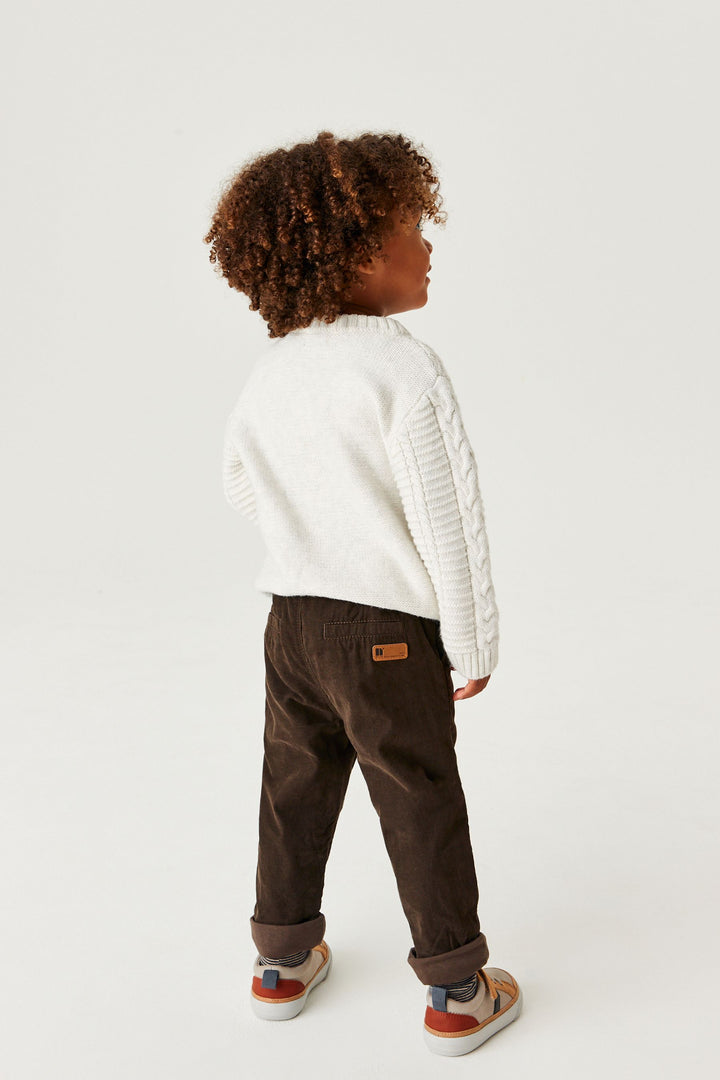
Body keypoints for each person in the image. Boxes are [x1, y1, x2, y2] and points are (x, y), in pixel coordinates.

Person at [204, 129, 522, 1057]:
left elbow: (238, 482)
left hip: (291, 625)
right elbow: (446, 520)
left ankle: (279, 960)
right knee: (417, 795)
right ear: (355, 256)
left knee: (293, 784)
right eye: (411, 230)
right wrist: (473, 641)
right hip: (384, 632)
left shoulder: (274, 368)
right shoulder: (402, 366)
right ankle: (458, 991)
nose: (427, 246)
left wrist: (314, 526)